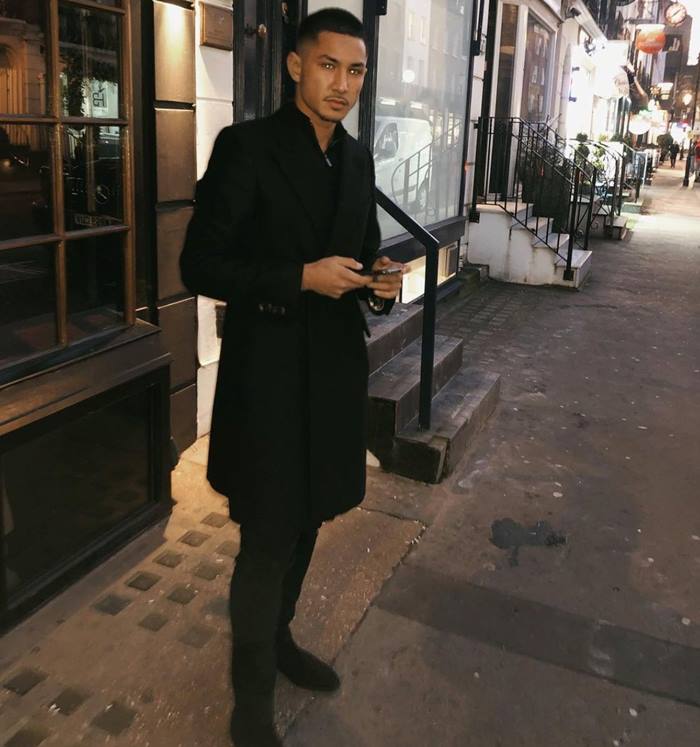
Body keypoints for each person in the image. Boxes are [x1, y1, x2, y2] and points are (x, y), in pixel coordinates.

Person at [180, 9, 406, 747]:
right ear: (296, 66)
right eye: (329, 65)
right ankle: (249, 697)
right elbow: (199, 265)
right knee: (267, 536)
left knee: (310, 519)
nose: (343, 84)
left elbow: (362, 251)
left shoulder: (358, 160)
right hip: (269, 379)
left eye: (356, 70)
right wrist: (298, 277)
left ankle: (279, 639)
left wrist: (380, 281)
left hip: (332, 373)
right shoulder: (246, 148)